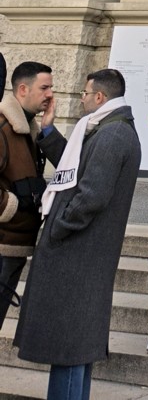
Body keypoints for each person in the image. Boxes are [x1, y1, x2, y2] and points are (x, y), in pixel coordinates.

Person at [14, 70, 140, 400]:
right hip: (81, 254)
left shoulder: (113, 135)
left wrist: (58, 226)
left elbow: (91, 196)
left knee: (70, 349)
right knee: (73, 349)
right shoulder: (107, 128)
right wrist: (49, 131)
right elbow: (75, 170)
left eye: (85, 93)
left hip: (80, 254)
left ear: (99, 97)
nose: (81, 99)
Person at [0, 62, 66, 329]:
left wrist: (48, 128)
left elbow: (70, 166)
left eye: (51, 87)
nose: (50, 94)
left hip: (15, 244)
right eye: (44, 88)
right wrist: (10, 206)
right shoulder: (4, 128)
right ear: (23, 89)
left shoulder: (31, 130)